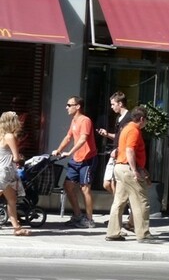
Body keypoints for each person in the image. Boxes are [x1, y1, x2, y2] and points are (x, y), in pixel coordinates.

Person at [105, 106, 156, 242]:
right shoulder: (134, 130)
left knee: (119, 201)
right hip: (128, 169)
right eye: (146, 120)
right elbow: (130, 150)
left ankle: (113, 232)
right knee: (141, 202)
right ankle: (143, 234)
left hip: (120, 168)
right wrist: (135, 170)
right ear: (142, 119)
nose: (146, 123)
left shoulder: (126, 128)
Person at [51, 96, 98, 228]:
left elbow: (83, 139)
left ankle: (89, 219)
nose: (66, 107)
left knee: (85, 188)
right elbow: (68, 137)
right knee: (68, 185)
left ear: (77, 106)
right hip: (76, 159)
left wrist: (69, 152)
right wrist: (59, 150)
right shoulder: (74, 121)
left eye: (69, 105)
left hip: (87, 159)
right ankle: (77, 215)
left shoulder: (85, 120)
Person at [96, 91, 133, 230]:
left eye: (113, 104)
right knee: (107, 184)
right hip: (115, 154)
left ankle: (117, 216)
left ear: (120, 103)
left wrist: (118, 150)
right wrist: (107, 135)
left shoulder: (129, 118)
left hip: (120, 155)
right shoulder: (119, 118)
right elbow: (119, 137)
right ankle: (126, 205)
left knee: (116, 187)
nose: (111, 107)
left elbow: (127, 140)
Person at [0, 111, 31, 236]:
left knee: (12, 199)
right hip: (5, 171)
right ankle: (17, 228)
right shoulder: (10, 136)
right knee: (11, 199)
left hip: (3, 170)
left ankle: (17, 228)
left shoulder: (1, 135)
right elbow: (16, 158)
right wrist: (21, 158)